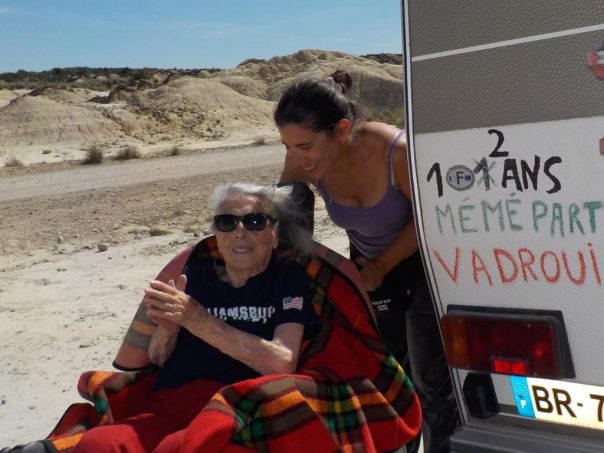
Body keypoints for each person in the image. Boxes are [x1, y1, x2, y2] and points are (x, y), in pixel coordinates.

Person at [274, 70, 459, 453]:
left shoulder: (395, 151)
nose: (295, 157)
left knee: (430, 381)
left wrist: (383, 265)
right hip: (369, 270)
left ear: (341, 130)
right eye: (287, 146)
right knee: (387, 376)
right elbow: (290, 216)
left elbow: (431, 218)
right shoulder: (304, 161)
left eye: (304, 146)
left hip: (425, 266)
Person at [72, 182, 318, 453]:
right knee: (99, 444)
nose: (240, 231)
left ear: (274, 235)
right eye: (226, 222)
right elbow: (157, 358)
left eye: (255, 221)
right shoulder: (196, 275)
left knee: (178, 448)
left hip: (234, 406)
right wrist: (168, 331)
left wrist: (198, 321)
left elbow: (282, 362)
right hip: (171, 400)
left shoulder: (286, 279)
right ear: (217, 236)